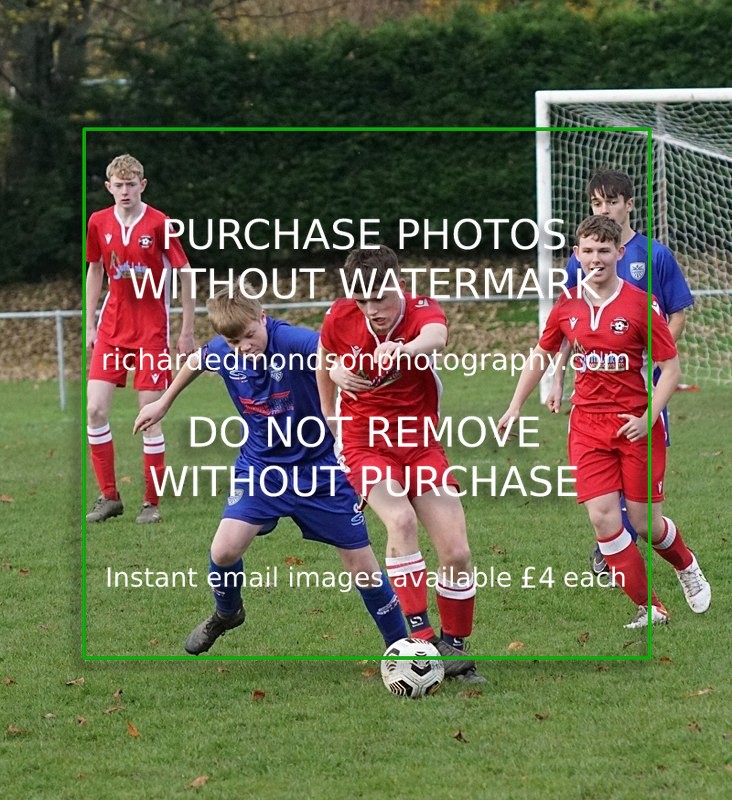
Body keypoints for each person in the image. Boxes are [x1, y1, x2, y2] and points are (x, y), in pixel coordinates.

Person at [133, 287, 408, 655]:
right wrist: (163, 403)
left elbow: (326, 349)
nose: (244, 346)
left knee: (363, 568)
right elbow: (197, 360)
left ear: (262, 318)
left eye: (250, 335)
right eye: (234, 341)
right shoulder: (225, 351)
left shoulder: (289, 341)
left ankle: (403, 649)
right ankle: (228, 612)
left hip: (320, 470)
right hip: (262, 469)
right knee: (224, 551)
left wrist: (339, 368)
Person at [498, 215, 710, 628]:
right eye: (588, 251)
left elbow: (670, 370)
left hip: (636, 426)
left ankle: (685, 565)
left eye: (604, 251)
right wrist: (515, 405)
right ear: (577, 254)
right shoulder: (567, 304)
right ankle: (651, 608)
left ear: (619, 253)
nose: (596, 258)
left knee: (645, 524)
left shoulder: (641, 305)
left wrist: (648, 418)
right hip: (587, 427)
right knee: (603, 518)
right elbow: (542, 353)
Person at [317, 245, 484, 682]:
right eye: (363, 300)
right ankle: (422, 640)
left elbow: (437, 338)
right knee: (401, 520)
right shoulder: (340, 316)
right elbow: (324, 356)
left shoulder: (422, 309)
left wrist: (404, 349)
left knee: (457, 551)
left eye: (381, 298)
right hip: (365, 442)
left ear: (399, 285)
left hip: (419, 442)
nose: (372, 310)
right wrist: (331, 397)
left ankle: (454, 648)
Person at [547, 169, 694, 577]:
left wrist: (649, 356)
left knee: (639, 474)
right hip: (596, 391)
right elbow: (568, 321)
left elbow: (677, 314)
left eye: (611, 202)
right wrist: (557, 376)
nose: (604, 209)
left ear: (629, 205)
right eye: (597, 203)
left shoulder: (655, 255)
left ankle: (635, 539)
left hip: (644, 384)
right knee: (603, 478)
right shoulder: (582, 258)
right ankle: (612, 544)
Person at [86, 154, 196, 524]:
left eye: (131, 184)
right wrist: (90, 324)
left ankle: (151, 503)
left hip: (151, 332)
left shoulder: (161, 223)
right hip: (111, 329)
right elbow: (95, 269)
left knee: (149, 416)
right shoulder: (98, 222)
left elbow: (185, 273)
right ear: (108, 187)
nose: (125, 191)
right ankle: (109, 497)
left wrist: (186, 330)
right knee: (95, 410)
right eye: (118, 185)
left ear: (142, 185)